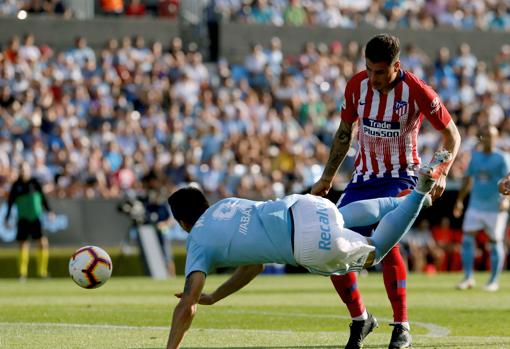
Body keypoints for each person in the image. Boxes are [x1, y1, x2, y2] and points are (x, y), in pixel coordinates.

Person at [165, 151, 452, 349]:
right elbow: (254, 264)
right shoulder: (222, 204)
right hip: (303, 205)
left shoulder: (197, 241)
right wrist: (215, 297)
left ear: (182, 222)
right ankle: (402, 202)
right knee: (343, 217)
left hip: (306, 244)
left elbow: (187, 304)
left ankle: (417, 194)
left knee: (374, 252)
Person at [311, 33, 461, 349]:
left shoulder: (417, 90)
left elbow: (451, 136)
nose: (373, 78)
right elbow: (344, 132)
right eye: (369, 70)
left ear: (396, 66)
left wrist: (442, 170)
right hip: (363, 179)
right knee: (330, 245)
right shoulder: (357, 86)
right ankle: (361, 319)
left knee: (386, 242)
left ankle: (402, 326)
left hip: (401, 179)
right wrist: (327, 177)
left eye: (380, 72)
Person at [453, 125, 510, 292]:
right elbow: (468, 179)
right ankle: (468, 277)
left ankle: (493, 280)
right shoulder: (475, 157)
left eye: (492, 136)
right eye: (485, 135)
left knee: (495, 242)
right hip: (476, 205)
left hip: (495, 206)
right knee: (468, 240)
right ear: (482, 138)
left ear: (497, 138)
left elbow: (508, 182)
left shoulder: (502, 158)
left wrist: (506, 201)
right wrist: (460, 200)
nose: (489, 139)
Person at [4, 162, 54, 281]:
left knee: (42, 242)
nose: (23, 171)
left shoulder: (35, 182)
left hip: (35, 217)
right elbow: (10, 202)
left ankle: (42, 272)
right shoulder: (16, 185)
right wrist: (7, 218)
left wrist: (49, 211)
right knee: (23, 244)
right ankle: (22, 273)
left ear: (29, 170)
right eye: (21, 169)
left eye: (25, 169)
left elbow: (43, 197)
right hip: (23, 218)